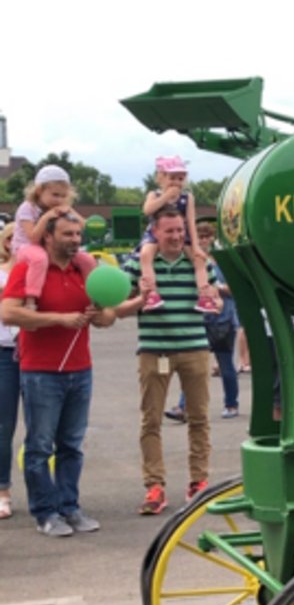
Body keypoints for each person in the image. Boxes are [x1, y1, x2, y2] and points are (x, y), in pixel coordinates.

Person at [0, 208, 117, 536]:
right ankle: (45, 513)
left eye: (78, 234)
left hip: (81, 369)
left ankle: (70, 507)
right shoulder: (29, 267)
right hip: (41, 371)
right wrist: (59, 319)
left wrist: (98, 313)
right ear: (48, 236)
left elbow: (108, 318)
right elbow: (8, 313)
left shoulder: (86, 270)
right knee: (40, 446)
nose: (75, 240)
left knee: (72, 445)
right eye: (67, 234)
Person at [115, 206, 221, 515]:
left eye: (179, 230)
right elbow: (116, 308)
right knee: (151, 420)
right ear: (155, 233)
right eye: (169, 231)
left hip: (195, 348)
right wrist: (139, 300)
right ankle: (154, 486)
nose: (176, 236)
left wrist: (214, 301)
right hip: (153, 350)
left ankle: (198, 482)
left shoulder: (200, 263)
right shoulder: (137, 264)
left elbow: (215, 297)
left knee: (199, 419)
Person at [166, 221, 239, 421]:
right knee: (194, 366)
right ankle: (184, 406)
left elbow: (235, 289)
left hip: (223, 320)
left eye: (207, 237)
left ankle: (231, 404)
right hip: (199, 320)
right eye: (201, 237)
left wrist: (217, 288)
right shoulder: (192, 261)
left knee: (225, 365)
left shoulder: (222, 261)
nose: (205, 241)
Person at [138, 156, 218, 314]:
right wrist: (166, 196)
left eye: (180, 179)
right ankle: (152, 293)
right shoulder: (154, 194)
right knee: (146, 254)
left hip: (183, 235)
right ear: (161, 177)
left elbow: (191, 221)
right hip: (155, 234)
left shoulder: (187, 198)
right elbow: (147, 210)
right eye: (172, 178)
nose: (176, 182)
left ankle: (204, 296)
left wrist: (195, 246)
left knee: (199, 260)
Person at [11, 165, 99, 307]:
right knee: (39, 259)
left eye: (63, 196)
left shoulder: (58, 207)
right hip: (26, 247)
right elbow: (33, 237)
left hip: (48, 246)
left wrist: (70, 210)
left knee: (87, 260)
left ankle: (93, 296)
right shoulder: (27, 208)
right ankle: (31, 299)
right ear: (40, 190)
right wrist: (46, 217)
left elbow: (82, 225)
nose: (59, 200)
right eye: (55, 195)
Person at [0, 223, 19, 520]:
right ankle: (3, 489)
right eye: (11, 238)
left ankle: (47, 491)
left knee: (44, 431)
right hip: (5, 350)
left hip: (35, 350)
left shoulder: (39, 266)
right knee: (4, 426)